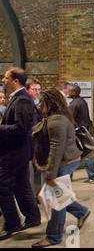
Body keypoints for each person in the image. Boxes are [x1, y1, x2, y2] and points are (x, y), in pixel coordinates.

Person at [31, 87, 90, 248]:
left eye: (42, 103)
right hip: (64, 161)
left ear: (49, 103)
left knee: (56, 201)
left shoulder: (57, 120)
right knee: (59, 196)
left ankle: (53, 236)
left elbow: (56, 149)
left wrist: (50, 174)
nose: (40, 106)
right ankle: (81, 212)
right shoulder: (57, 117)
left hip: (63, 163)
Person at [0, 67, 41, 241]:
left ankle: (12, 223)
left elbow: (21, 128)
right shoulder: (18, 98)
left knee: (3, 187)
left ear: (15, 80)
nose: (3, 80)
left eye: (6, 77)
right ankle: (32, 217)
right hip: (18, 152)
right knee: (21, 186)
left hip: (15, 152)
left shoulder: (22, 100)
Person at [68, 85, 94, 183]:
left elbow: (70, 119)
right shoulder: (82, 101)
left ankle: (93, 175)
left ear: (74, 93)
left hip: (78, 132)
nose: (68, 93)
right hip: (83, 130)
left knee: (85, 154)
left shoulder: (74, 104)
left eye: (70, 91)